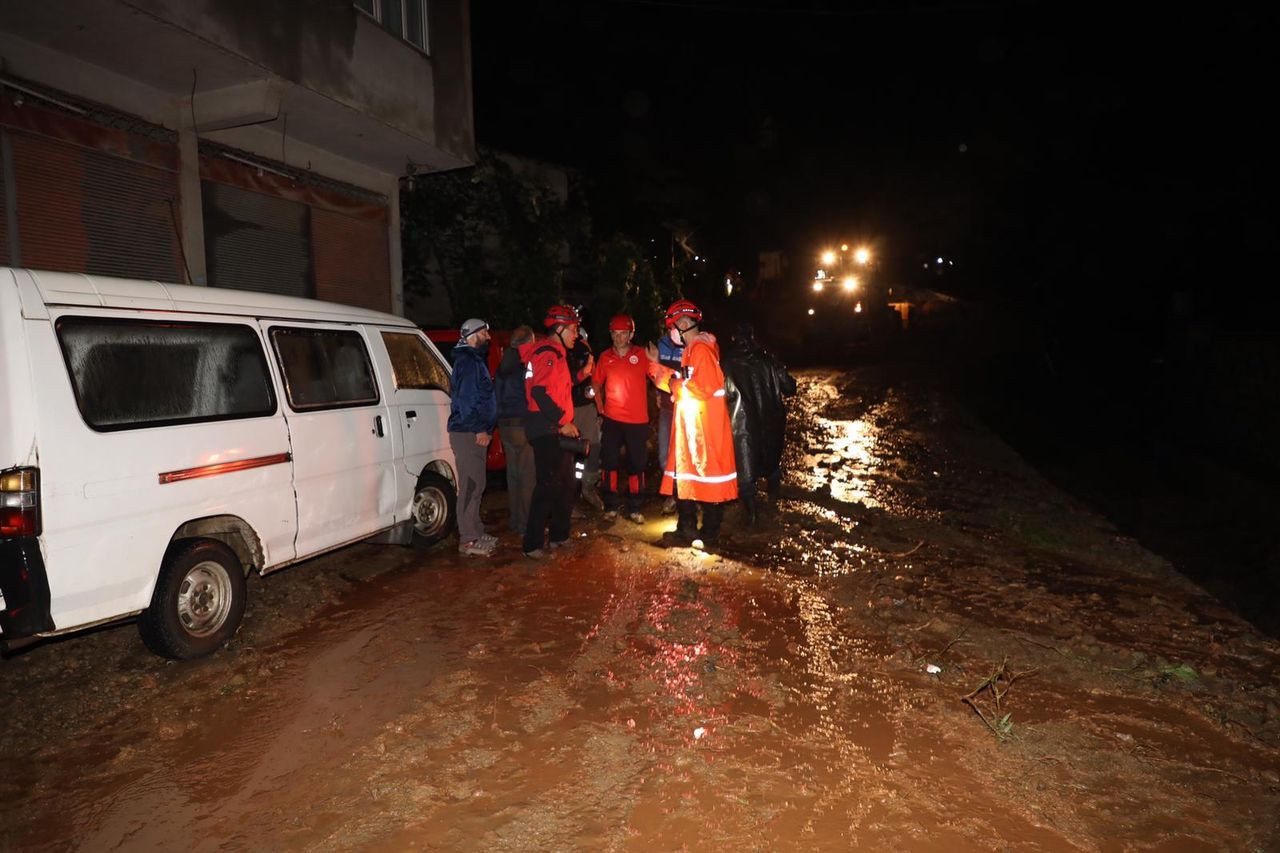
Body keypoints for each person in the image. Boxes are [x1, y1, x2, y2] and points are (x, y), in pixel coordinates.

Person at [646, 299, 737, 548]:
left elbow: (701, 386)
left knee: (704, 482)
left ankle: (706, 533)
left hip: (702, 431)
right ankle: (690, 530)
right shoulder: (694, 350)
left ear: (684, 324)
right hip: (696, 429)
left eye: (672, 327)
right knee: (685, 478)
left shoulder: (700, 350)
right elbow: (682, 380)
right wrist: (656, 367)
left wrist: (675, 385)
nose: (671, 332)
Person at [521, 304, 583, 558]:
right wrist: (562, 422)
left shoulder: (555, 353)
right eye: (573, 329)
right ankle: (532, 544)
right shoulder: (548, 353)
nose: (576, 335)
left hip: (554, 427)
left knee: (566, 484)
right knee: (548, 485)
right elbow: (539, 392)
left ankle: (560, 535)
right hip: (547, 428)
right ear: (559, 329)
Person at [722, 322, 797, 526]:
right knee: (771, 464)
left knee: (745, 472)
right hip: (771, 420)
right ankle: (774, 503)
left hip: (742, 425)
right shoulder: (768, 359)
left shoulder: (726, 363)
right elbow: (790, 387)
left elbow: (720, 394)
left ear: (732, 338)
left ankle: (753, 515)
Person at [592, 314, 651, 523]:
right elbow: (596, 383)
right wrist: (600, 408)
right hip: (612, 420)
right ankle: (611, 506)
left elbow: (659, 376)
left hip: (637, 421)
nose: (619, 338)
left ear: (631, 334)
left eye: (623, 334)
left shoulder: (643, 355)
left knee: (637, 464)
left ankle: (635, 507)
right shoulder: (605, 357)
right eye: (615, 334)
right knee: (610, 463)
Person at [448, 318, 498, 557]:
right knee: (470, 486)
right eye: (485, 334)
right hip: (467, 432)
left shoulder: (473, 359)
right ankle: (467, 540)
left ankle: (475, 531)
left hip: (472, 430)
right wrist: (479, 428)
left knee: (478, 483)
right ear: (474, 335)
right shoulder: (468, 361)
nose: (488, 338)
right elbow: (467, 400)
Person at [495, 325, 537, 535]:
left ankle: (514, 521)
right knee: (527, 477)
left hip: (505, 427)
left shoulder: (502, 366)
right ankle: (526, 524)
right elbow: (531, 395)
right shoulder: (524, 366)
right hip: (522, 425)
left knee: (513, 476)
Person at [567, 326, 603, 510]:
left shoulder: (585, 350)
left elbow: (594, 382)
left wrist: (599, 410)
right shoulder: (562, 352)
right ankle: (572, 497)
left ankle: (587, 487)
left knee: (593, 447)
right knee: (570, 455)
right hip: (569, 409)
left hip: (585, 407)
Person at [654, 321, 684, 514]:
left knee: (684, 456)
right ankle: (673, 494)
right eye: (670, 328)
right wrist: (657, 394)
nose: (672, 331)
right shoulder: (661, 344)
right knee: (664, 456)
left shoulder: (690, 346)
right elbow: (657, 371)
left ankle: (686, 498)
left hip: (685, 408)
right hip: (666, 408)